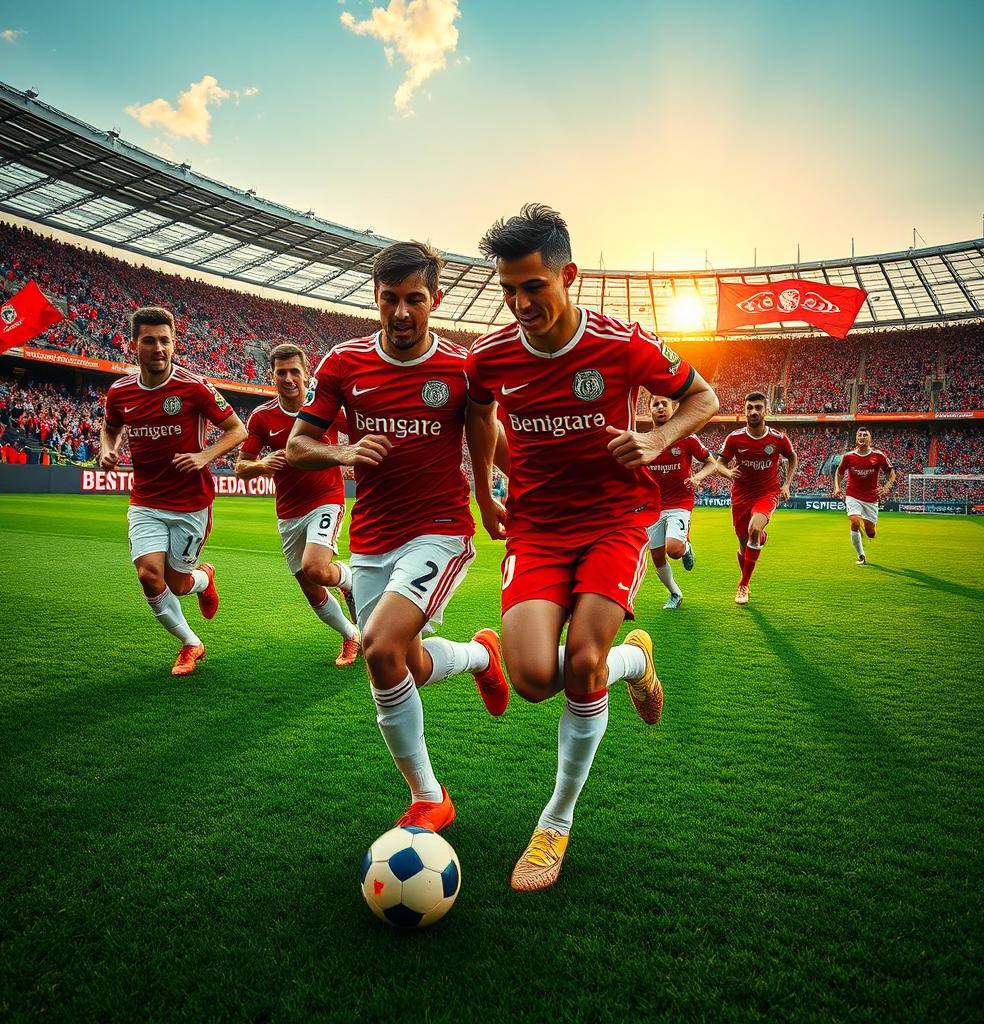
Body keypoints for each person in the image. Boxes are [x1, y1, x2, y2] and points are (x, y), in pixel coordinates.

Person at [465, 204, 718, 891]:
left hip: (614, 522)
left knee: (580, 663)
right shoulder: (490, 355)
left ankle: (555, 823)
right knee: (531, 680)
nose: (519, 304)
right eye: (508, 290)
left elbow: (703, 395)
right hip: (536, 529)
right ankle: (636, 662)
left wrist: (659, 439)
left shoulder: (621, 343)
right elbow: (478, 408)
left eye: (533, 288)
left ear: (567, 275)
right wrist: (488, 487)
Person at [286, 241, 509, 833]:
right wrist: (344, 450)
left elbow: (489, 434)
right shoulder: (342, 363)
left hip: (440, 530)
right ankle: (483, 655)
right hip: (371, 539)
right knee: (402, 660)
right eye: (391, 299)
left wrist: (490, 496)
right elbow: (298, 446)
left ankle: (429, 796)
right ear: (376, 298)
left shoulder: (460, 369)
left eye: (415, 299)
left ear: (435, 300)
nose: (403, 312)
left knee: (379, 650)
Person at [100, 306, 248, 676]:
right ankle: (191, 643)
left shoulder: (194, 387)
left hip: (190, 503)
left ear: (174, 342)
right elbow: (110, 427)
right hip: (145, 501)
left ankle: (204, 577)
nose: (158, 348)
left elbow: (237, 430)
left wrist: (205, 455)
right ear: (134, 345)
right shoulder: (119, 392)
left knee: (179, 585)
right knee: (150, 575)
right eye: (149, 340)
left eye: (165, 340)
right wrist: (108, 447)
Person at [235, 343, 361, 666]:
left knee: (316, 567)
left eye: (295, 372)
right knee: (312, 590)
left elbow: (360, 431)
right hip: (289, 512)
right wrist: (263, 465)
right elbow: (241, 466)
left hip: (326, 499)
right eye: (281, 372)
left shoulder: (324, 409)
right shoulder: (262, 418)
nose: (289, 378)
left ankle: (349, 581)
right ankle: (351, 636)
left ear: (307, 374)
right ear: (271, 376)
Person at [644, 394, 727, 609]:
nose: (661, 407)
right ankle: (675, 594)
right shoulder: (645, 442)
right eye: (656, 404)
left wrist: (697, 477)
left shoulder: (688, 439)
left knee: (674, 549)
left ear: (673, 409)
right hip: (653, 507)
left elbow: (712, 464)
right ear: (649, 410)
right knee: (657, 558)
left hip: (680, 502)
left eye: (665, 404)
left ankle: (686, 547)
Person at [715, 392, 798, 605]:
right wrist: (728, 473)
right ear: (744, 411)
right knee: (744, 545)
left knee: (754, 529)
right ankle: (757, 543)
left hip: (767, 493)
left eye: (758, 407)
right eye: (749, 407)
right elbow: (719, 464)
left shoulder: (778, 439)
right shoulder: (734, 438)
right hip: (741, 496)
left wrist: (787, 483)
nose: (753, 411)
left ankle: (743, 585)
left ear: (766, 411)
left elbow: (792, 457)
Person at [833, 427, 895, 565]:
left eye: (865, 435)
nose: (862, 437)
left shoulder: (878, 456)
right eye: (859, 435)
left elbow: (891, 473)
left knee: (870, 532)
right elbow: (839, 472)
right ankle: (861, 556)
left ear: (870, 439)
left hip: (871, 499)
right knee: (854, 521)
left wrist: (886, 487)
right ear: (856, 439)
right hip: (853, 495)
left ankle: (867, 529)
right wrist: (837, 487)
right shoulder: (848, 457)